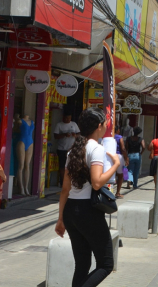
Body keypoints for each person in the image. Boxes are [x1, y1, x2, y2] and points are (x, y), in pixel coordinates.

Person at [54, 107, 119, 287]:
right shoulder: (96, 149)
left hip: (71, 212)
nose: (106, 126)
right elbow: (97, 183)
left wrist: (61, 219)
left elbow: (65, 189)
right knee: (106, 264)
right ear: (99, 126)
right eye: (105, 123)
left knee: (82, 264)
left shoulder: (72, 151)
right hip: (88, 212)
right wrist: (116, 165)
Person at [54, 112, 80, 187]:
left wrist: (75, 135)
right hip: (62, 148)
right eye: (66, 118)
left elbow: (79, 134)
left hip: (72, 149)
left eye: (69, 118)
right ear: (63, 118)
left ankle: (71, 182)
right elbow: (55, 136)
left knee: (72, 166)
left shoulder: (74, 124)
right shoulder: (59, 125)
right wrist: (64, 135)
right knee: (62, 166)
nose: (67, 119)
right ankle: (63, 182)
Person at [114, 126, 128, 199]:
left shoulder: (109, 136)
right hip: (119, 156)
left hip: (110, 155)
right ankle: (118, 193)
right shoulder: (119, 137)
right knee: (120, 175)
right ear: (118, 130)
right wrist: (126, 158)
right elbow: (123, 148)